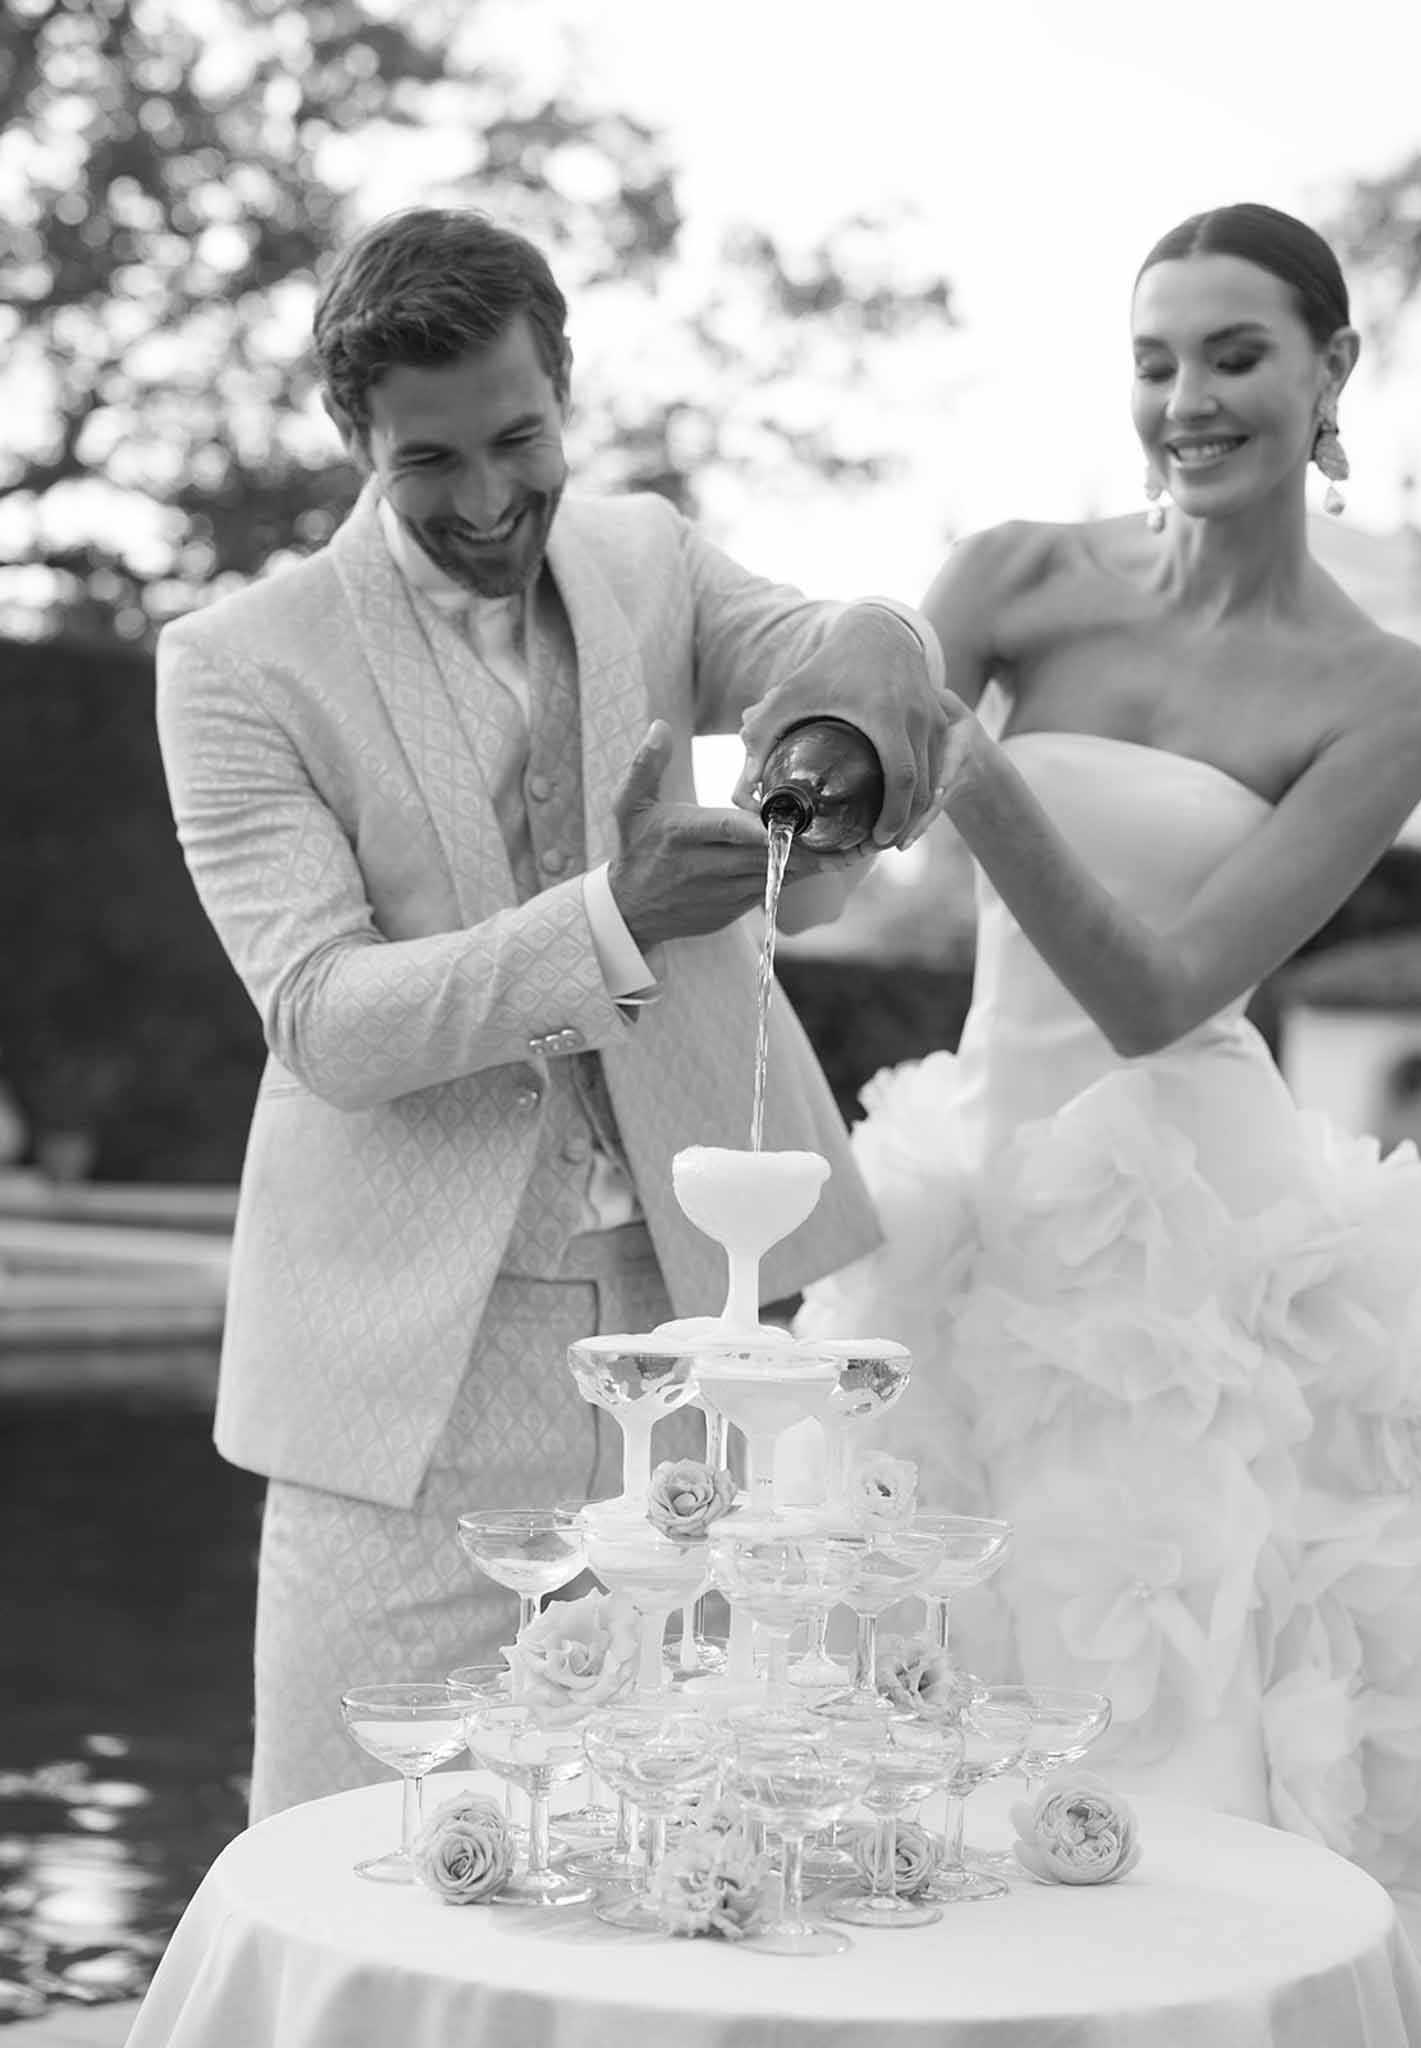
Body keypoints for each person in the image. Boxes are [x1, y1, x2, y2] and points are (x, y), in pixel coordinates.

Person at [798, 203, 1421, 2045]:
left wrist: (964, 763)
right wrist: (782, 804)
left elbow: (1154, 989)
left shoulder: (1392, 692)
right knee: (910, 1706)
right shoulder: (1016, 576)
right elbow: (812, 891)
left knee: (1172, 1736)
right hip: (971, 1209)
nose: (1188, 401)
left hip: (1192, 1250)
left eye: (1235, 356)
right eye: (1154, 361)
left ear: (1332, 373)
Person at [155, 206, 947, 1823]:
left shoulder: (648, 556)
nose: (489, 498)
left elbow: (825, 646)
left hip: (696, 1318)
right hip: (402, 1377)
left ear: (563, 390)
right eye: (428, 463)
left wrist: (866, 673)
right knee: (344, 1838)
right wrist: (612, 917)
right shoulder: (235, 664)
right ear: (351, 436)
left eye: (519, 439)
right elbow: (324, 1018)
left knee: (687, 1835)